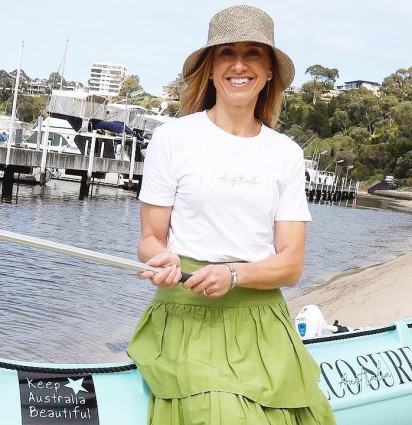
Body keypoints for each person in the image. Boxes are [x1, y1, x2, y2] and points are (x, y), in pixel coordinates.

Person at [127, 5, 336, 424]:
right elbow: (150, 238)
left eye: (253, 53)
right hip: (186, 312)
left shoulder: (286, 154)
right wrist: (161, 259)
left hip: (263, 319)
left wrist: (234, 274)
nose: (239, 65)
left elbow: (291, 264)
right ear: (209, 67)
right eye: (226, 53)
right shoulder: (172, 140)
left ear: (270, 70)